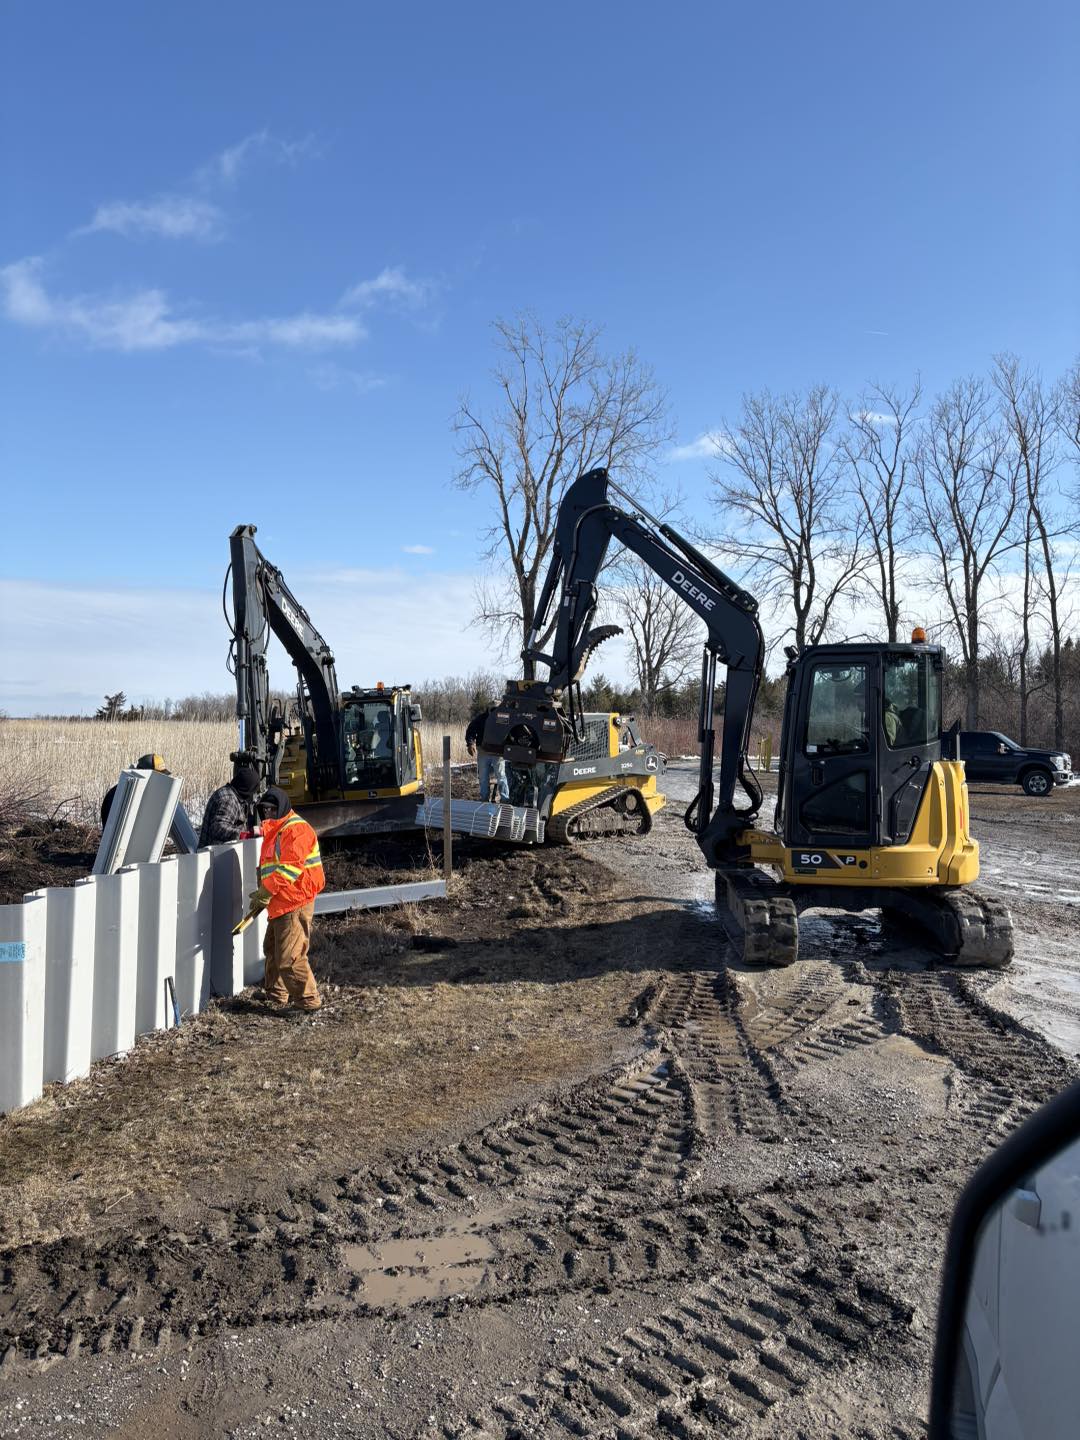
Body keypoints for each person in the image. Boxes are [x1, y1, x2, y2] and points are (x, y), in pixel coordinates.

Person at [248, 786, 326, 1014]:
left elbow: (289, 869)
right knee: (271, 948)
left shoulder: (296, 830)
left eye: (273, 809)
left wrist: (265, 891)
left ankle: (308, 1001)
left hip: (295, 901)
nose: (269, 814)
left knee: (290, 957)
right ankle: (276, 994)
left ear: (281, 808)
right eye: (266, 810)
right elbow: (269, 867)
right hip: (280, 900)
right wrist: (265, 892)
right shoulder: (276, 831)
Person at [197, 765, 262, 847]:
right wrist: (243, 834)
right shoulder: (229, 800)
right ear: (248, 789)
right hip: (214, 856)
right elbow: (218, 827)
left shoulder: (231, 793)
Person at [100, 753, 170, 829]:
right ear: (145, 774)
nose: (160, 782)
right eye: (159, 777)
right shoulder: (117, 795)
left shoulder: (149, 796)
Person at [465, 708, 509, 802]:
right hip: (483, 751)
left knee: (501, 776)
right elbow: (471, 731)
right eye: (492, 709)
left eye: (496, 709)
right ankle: (484, 799)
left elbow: (511, 732)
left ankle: (505, 800)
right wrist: (470, 743)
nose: (494, 711)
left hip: (498, 752)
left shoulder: (504, 718)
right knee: (483, 777)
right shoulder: (481, 719)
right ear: (488, 709)